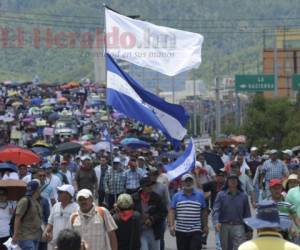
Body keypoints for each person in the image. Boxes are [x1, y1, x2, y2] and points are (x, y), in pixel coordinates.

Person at [212, 173, 252, 250]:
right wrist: (216, 222)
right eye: (231, 179)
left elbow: (247, 214)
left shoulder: (243, 196)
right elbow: (216, 210)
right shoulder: (220, 195)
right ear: (227, 181)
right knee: (226, 248)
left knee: (240, 247)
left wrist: (249, 229)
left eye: (235, 179)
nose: (233, 181)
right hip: (224, 226)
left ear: (238, 182)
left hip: (239, 226)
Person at [169, 173, 208, 250]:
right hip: (181, 231)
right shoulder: (176, 196)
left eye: (190, 181)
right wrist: (172, 225)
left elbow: (204, 211)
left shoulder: (200, 195)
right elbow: (172, 211)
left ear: (193, 182)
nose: (188, 183)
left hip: (196, 230)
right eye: (186, 181)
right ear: (182, 183)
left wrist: (205, 226)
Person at [132, 176, 167, 250]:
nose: (151, 187)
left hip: (154, 231)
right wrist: (140, 217)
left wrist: (152, 219)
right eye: (148, 185)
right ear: (142, 187)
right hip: (140, 231)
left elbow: (163, 212)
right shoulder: (134, 198)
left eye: (151, 184)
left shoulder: (157, 198)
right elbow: (131, 212)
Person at [43, 184, 79, 250]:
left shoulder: (76, 208)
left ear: (68, 195)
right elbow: (50, 223)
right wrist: (46, 232)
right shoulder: (55, 206)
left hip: (68, 244)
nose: (58, 194)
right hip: (53, 243)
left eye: (60, 192)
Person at [12, 180, 43, 250]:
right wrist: (15, 234)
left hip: (35, 236)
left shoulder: (36, 201)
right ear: (37, 189)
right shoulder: (24, 200)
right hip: (25, 236)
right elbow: (17, 217)